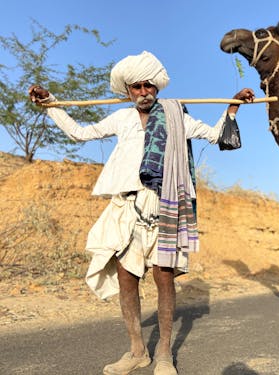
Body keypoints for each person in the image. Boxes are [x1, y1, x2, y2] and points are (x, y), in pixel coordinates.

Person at [29, 50, 255, 375]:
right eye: (136, 87)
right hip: (127, 207)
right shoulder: (121, 119)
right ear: (128, 91)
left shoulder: (177, 117)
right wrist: (50, 103)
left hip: (164, 204)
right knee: (126, 279)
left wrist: (232, 107)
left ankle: (163, 353)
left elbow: (216, 134)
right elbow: (79, 133)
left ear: (157, 88)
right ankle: (137, 351)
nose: (143, 92)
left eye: (148, 85)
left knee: (164, 278)